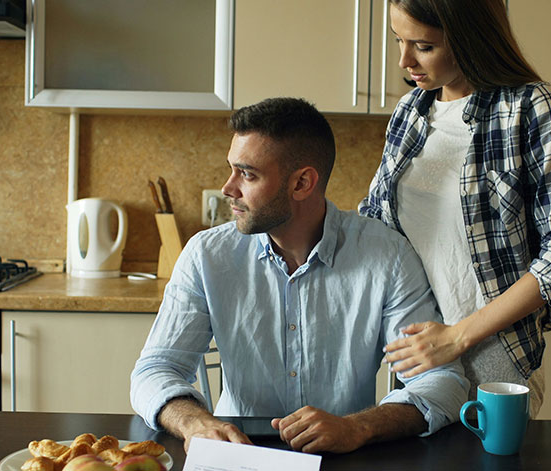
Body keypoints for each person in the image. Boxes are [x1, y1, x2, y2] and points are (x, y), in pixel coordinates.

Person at [130, 97, 469, 454]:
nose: (228, 188)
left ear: (302, 183)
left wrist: (359, 426)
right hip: (237, 455)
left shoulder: (388, 256)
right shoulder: (206, 255)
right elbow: (155, 370)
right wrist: (194, 422)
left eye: (247, 174)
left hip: (342, 456)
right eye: (232, 170)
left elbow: (442, 382)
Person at [359, 0, 551, 417]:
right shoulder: (408, 113)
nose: (404, 61)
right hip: (418, 352)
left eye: (423, 46)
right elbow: (375, 224)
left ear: (470, 38)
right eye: (399, 41)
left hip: (493, 352)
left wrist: (457, 337)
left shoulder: (530, 105)